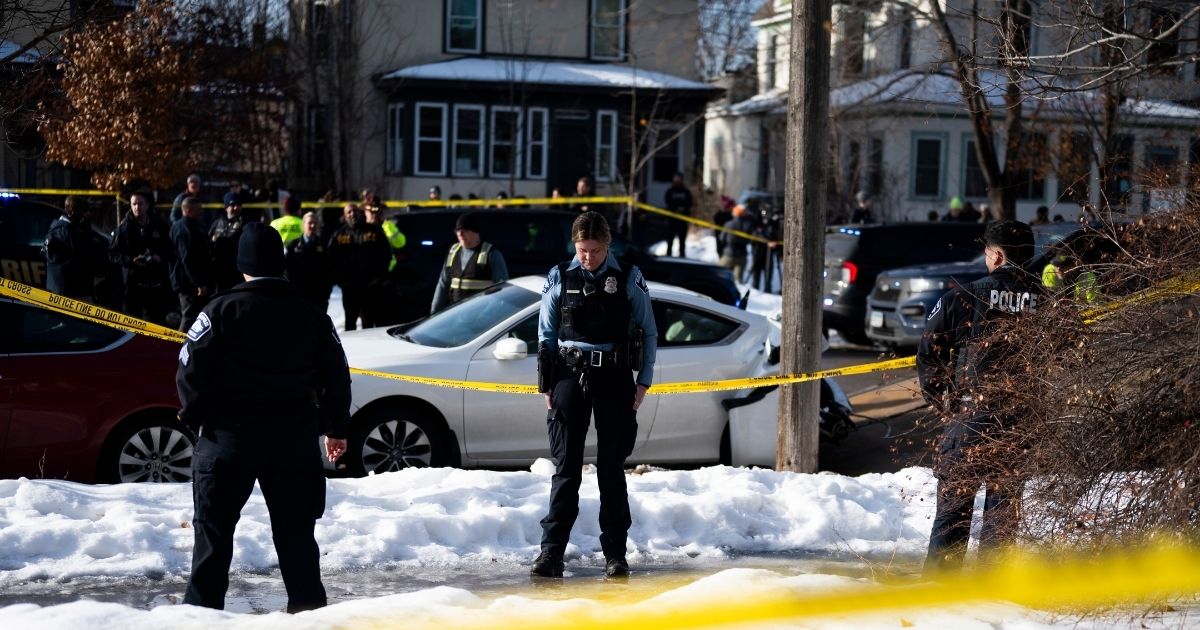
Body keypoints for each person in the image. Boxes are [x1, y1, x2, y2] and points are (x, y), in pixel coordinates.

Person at [176, 221, 351, 613]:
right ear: (281, 262)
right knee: (297, 542)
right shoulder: (311, 315)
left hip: (227, 440)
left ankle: (201, 619)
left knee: (213, 541)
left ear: (242, 264)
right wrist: (336, 429)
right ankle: (309, 618)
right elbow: (337, 376)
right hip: (292, 442)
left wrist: (201, 420)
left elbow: (188, 371)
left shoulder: (218, 311)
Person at [530, 211, 658, 578]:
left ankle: (615, 554)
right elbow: (546, 334)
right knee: (566, 469)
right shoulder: (560, 275)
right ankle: (551, 552)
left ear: (608, 245)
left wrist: (643, 381)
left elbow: (649, 331)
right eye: (582, 250)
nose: (588, 257)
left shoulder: (629, 277)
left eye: (595, 250)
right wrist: (547, 384)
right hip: (570, 373)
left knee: (611, 469)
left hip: (615, 375)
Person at [917, 220, 1039, 574]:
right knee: (1002, 519)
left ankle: (942, 594)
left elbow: (930, 353)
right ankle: (990, 596)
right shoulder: (1051, 303)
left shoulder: (963, 296)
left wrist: (947, 404)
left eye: (987, 252)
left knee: (953, 515)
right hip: (1021, 422)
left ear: (996, 255)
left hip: (971, 417)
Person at [110, 191, 174, 324]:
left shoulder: (159, 225)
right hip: (134, 285)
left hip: (157, 285)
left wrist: (159, 257)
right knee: (133, 324)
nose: (137, 207)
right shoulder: (124, 228)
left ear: (147, 205)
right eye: (134, 204)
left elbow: (170, 249)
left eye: (140, 204)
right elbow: (113, 254)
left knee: (156, 324)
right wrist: (131, 261)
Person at [326, 203, 391, 330]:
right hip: (350, 289)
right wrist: (339, 281)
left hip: (370, 287)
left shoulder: (374, 231)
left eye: (355, 211)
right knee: (350, 323)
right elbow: (330, 259)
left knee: (369, 323)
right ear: (345, 216)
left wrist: (379, 278)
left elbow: (386, 255)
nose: (352, 214)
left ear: (360, 213)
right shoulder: (338, 235)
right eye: (349, 212)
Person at [430, 212, 509, 313]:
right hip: (455, 315)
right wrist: (434, 312)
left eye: (464, 230)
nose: (460, 234)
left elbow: (502, 290)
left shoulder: (491, 254)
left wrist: (487, 315)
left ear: (475, 232)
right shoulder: (453, 251)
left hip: (481, 316)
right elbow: (443, 284)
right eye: (457, 231)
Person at [43, 195, 102, 301]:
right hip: (74, 293)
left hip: (58, 290)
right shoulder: (70, 233)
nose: (87, 215)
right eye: (85, 212)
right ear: (75, 212)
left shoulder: (56, 228)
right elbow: (86, 257)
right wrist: (87, 232)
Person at [170, 197, 214, 331]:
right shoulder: (184, 230)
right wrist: (198, 284)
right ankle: (178, 349)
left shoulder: (193, 226)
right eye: (198, 209)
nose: (201, 212)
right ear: (188, 210)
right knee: (188, 317)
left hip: (192, 281)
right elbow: (187, 259)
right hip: (188, 284)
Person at [285, 211, 333, 315]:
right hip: (299, 295)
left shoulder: (323, 245)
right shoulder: (293, 246)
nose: (313, 226)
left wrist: (326, 293)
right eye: (310, 223)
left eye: (315, 223)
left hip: (319, 297)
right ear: (303, 225)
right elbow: (288, 270)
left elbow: (329, 270)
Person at [209, 192, 246, 293]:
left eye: (238, 205)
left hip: (237, 271)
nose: (236, 207)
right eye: (232, 205)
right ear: (226, 207)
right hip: (219, 271)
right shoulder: (217, 223)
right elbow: (209, 243)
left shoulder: (245, 223)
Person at [717, 205, 756, 283]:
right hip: (742, 256)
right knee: (738, 281)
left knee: (718, 274)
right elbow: (751, 239)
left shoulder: (729, 224)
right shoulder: (749, 225)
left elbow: (722, 238)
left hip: (729, 254)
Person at [663, 172, 694, 257]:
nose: (677, 180)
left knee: (682, 241)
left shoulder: (686, 192)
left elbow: (689, 203)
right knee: (670, 239)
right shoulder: (670, 191)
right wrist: (677, 206)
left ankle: (682, 256)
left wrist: (682, 207)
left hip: (682, 221)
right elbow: (668, 203)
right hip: (672, 220)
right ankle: (668, 255)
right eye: (676, 178)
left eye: (679, 178)